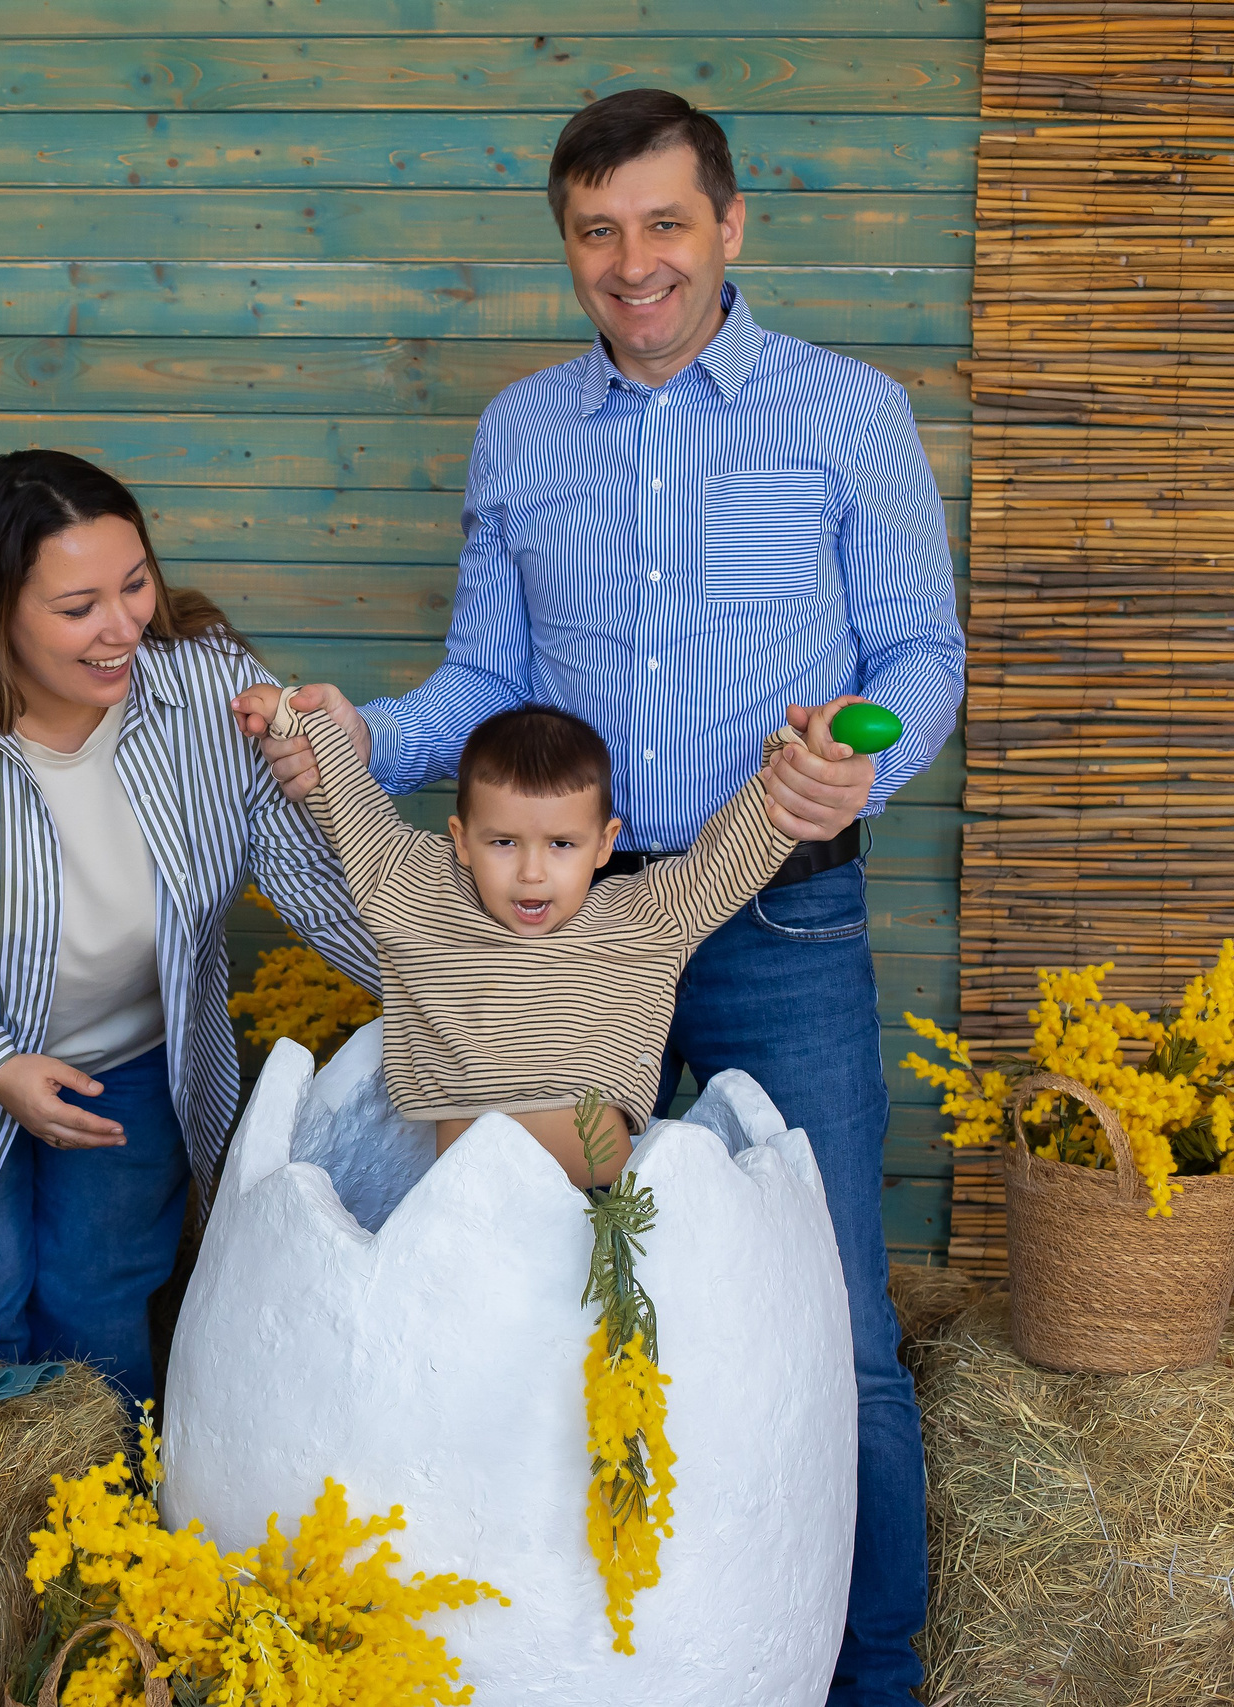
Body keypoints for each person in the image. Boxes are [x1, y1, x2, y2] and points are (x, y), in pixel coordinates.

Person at [239, 89, 960, 1705]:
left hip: (776, 907)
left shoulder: (851, 414)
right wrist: (364, 735)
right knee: (524, 1287)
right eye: (597, 232)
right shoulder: (521, 432)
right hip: (548, 936)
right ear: (565, 241)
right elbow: (484, 682)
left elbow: (921, 653)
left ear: (731, 224)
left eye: (665, 224)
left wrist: (862, 763)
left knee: (837, 1319)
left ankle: (873, 1672)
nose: (635, 263)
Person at [0, 449, 385, 1403]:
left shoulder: (210, 691)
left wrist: (470, 991)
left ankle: (104, 1495)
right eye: (79, 607)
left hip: (131, 1061)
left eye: (136, 583)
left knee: (99, 1312)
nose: (124, 627)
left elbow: (312, 878)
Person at [236, 692, 804, 1185]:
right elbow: (354, 812)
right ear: (462, 840)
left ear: (604, 843)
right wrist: (295, 718)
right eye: (504, 842)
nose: (532, 872)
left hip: (606, 1220)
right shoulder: (421, 894)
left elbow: (731, 858)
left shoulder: (645, 915)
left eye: (562, 844)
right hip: (465, 1217)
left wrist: (799, 764)